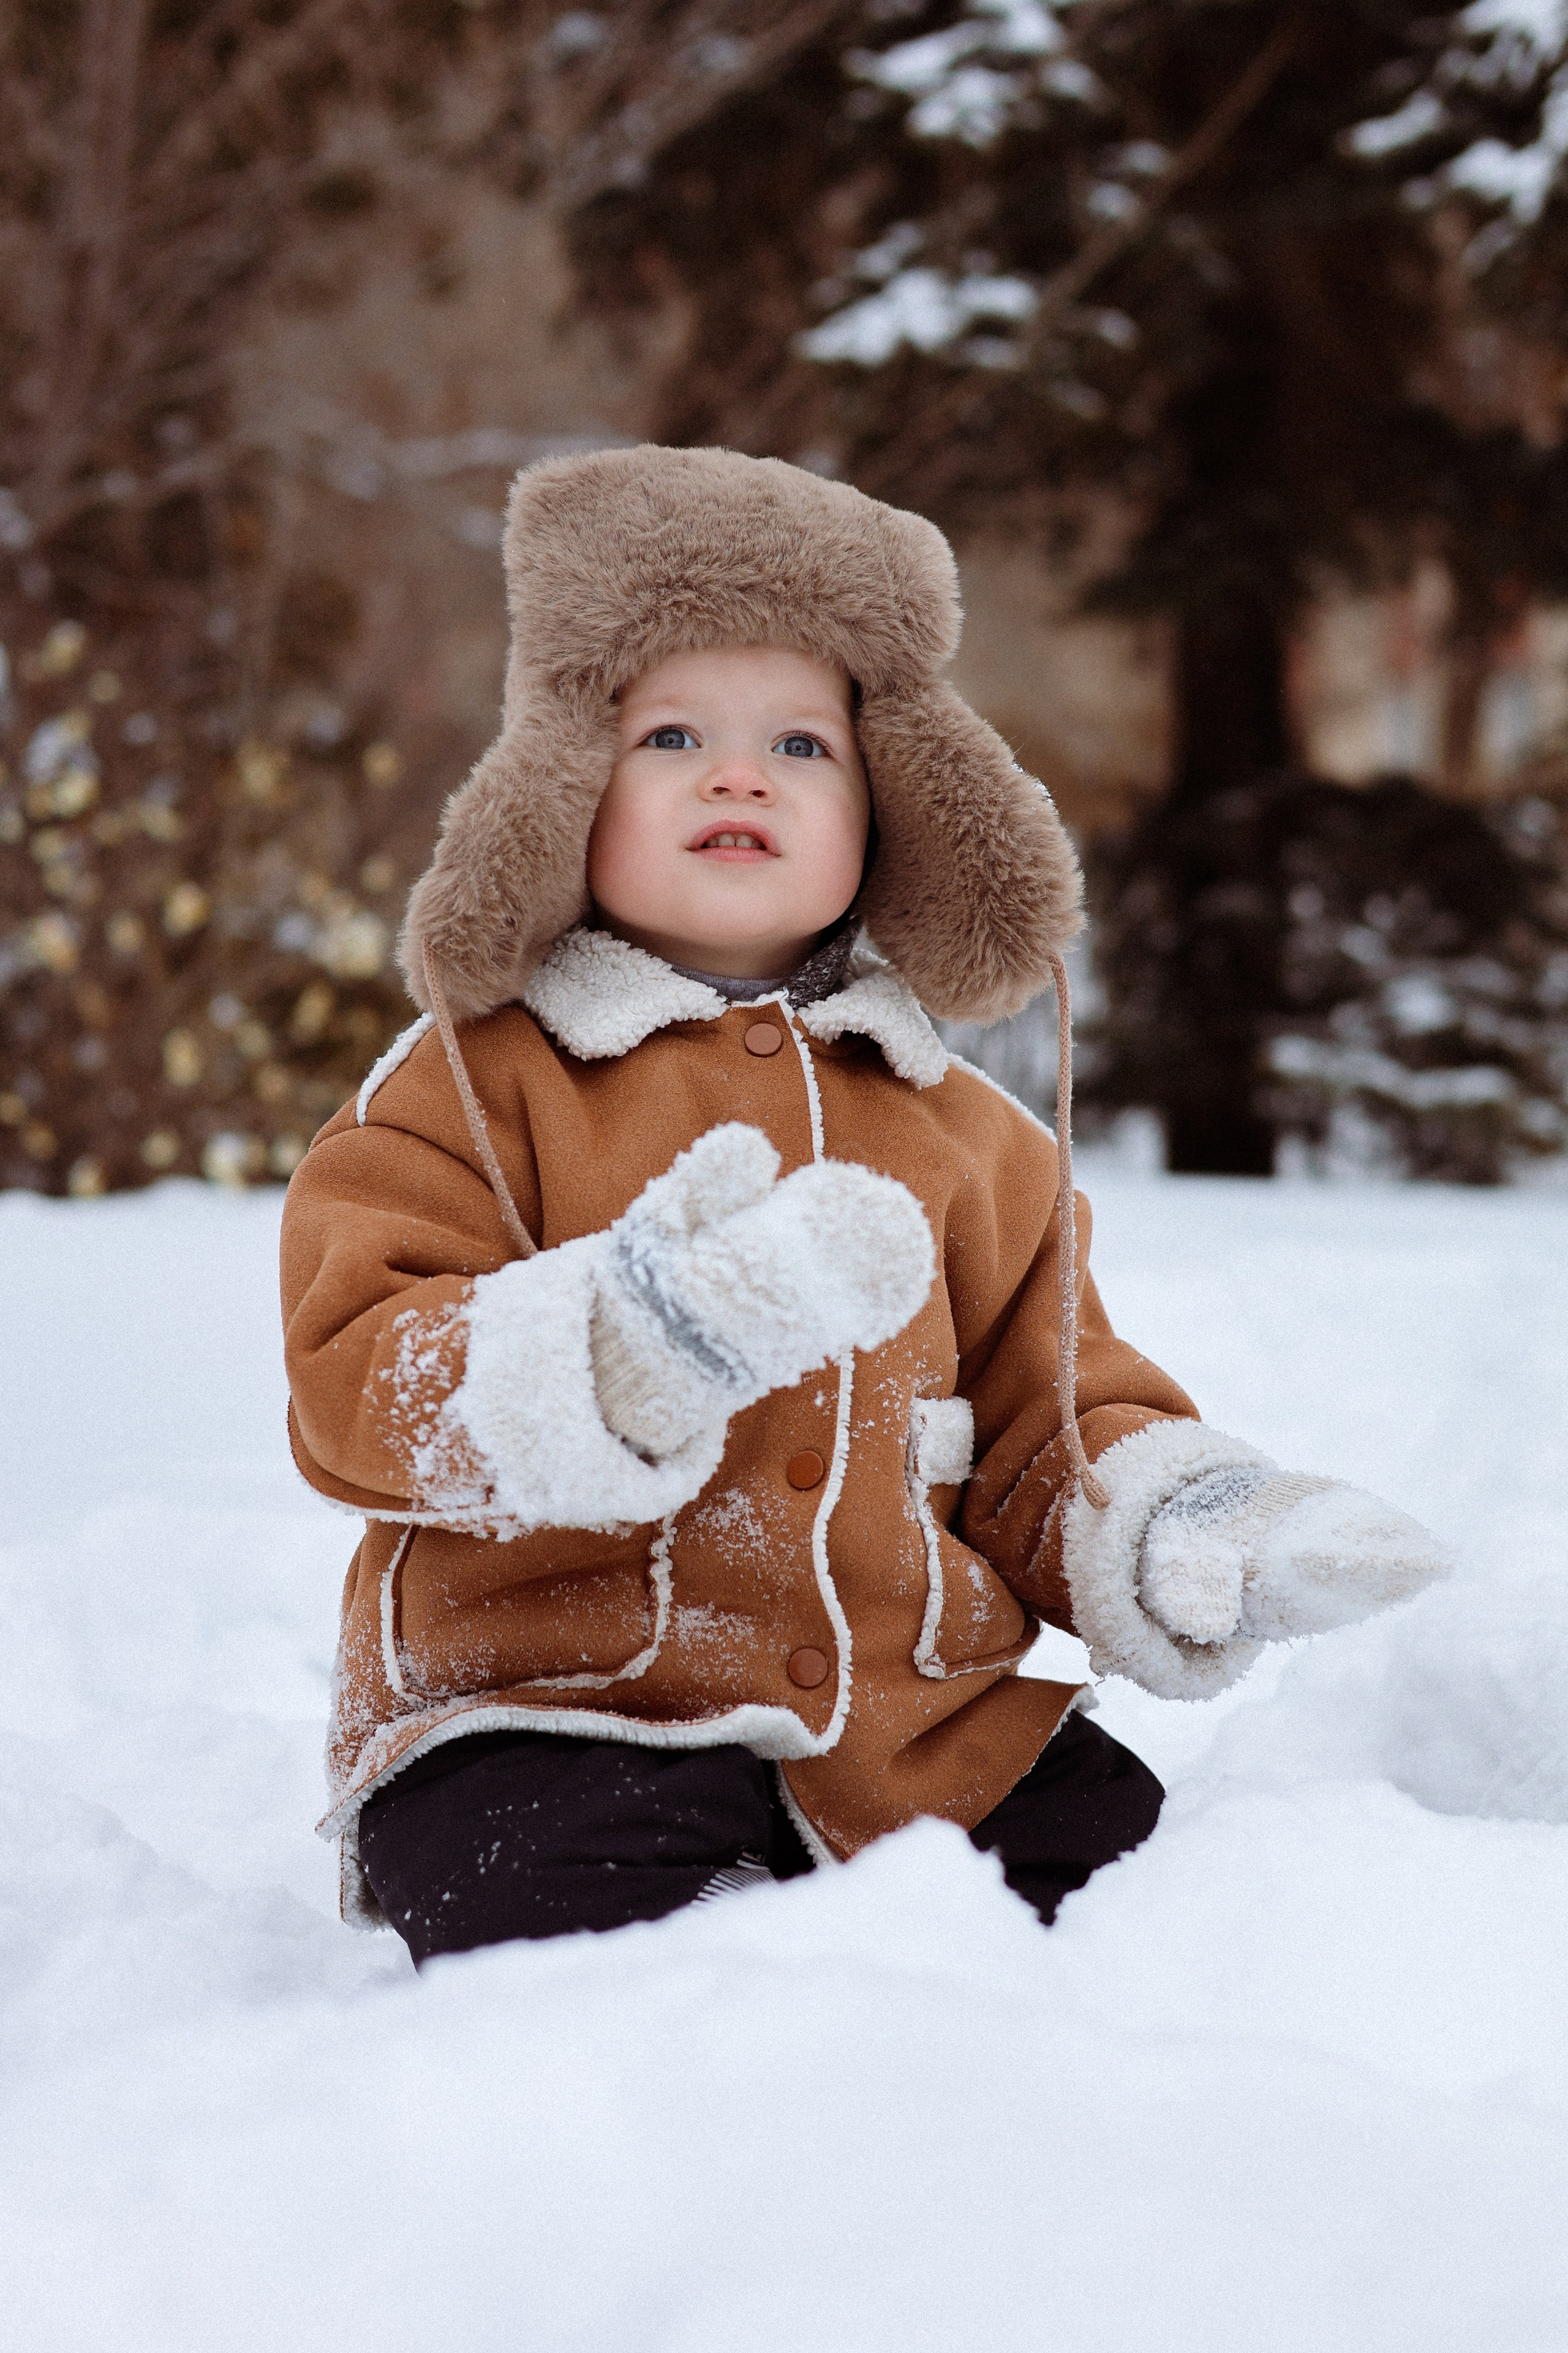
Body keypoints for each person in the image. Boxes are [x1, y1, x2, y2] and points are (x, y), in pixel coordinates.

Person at [281, 446, 1447, 1965]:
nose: (737, 774)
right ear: (564, 781)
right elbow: (359, 1377)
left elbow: (1052, 1424)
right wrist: (617, 1355)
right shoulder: (470, 1090)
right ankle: (700, 2024)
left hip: (910, 1731)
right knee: (553, 1895)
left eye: (801, 747)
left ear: (896, 803)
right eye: (672, 734)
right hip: (556, 1709)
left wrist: (1186, 1523)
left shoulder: (974, 1142)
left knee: (1128, 1878)